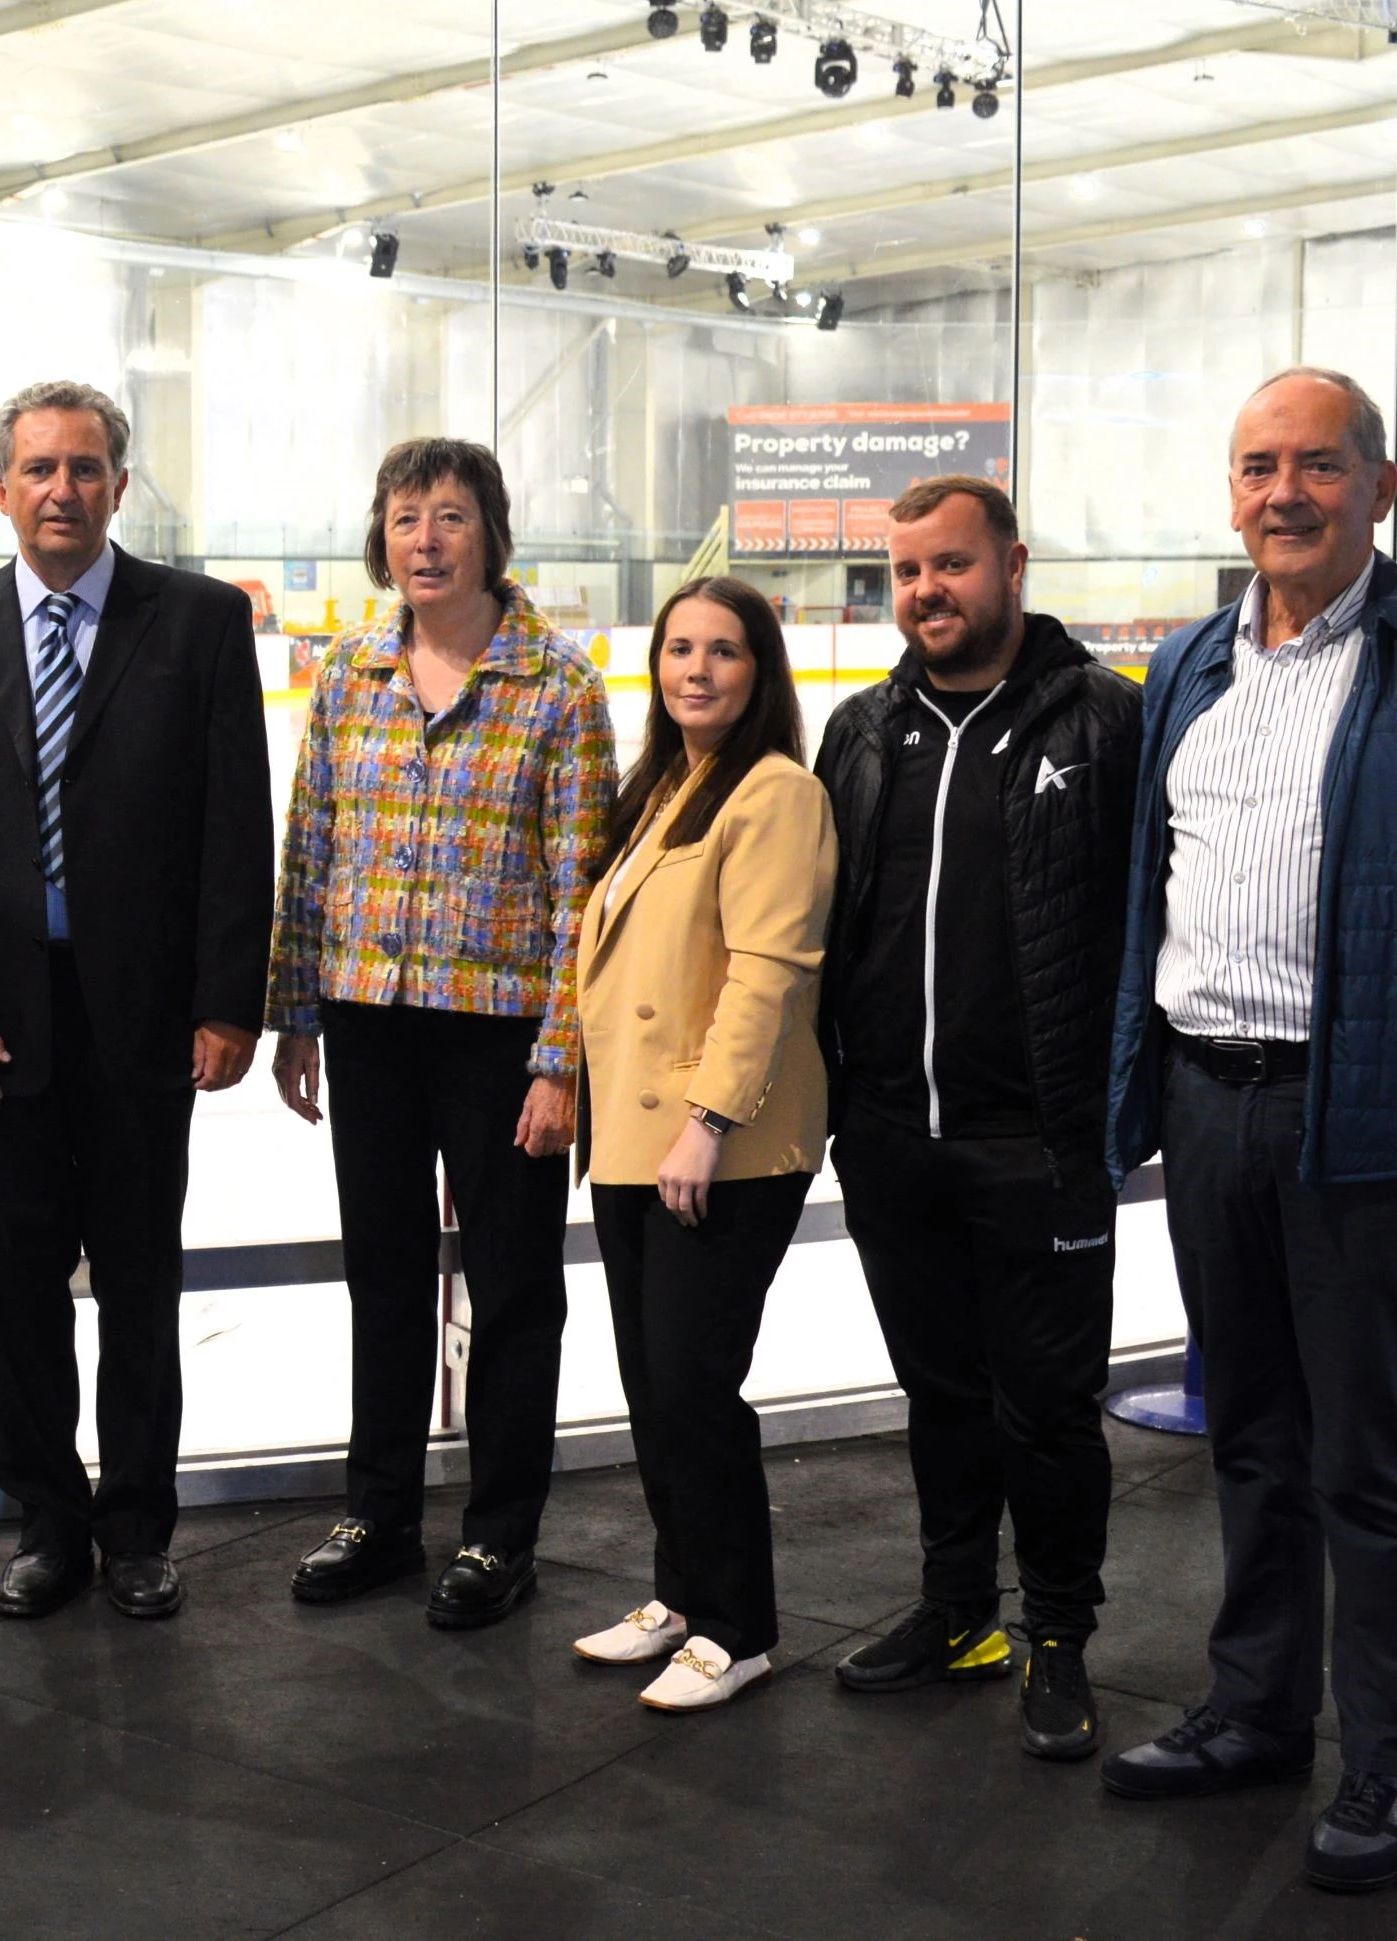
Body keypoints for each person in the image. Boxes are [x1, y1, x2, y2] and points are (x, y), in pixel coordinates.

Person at [1099, 369, 1397, 1892]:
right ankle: (1254, 1710)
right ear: (1230, 491)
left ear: (1381, 484)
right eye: (1259, 467)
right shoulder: (1189, 663)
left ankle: (1386, 1761)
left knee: (1367, 1453)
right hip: (1207, 1092)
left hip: (1356, 1107)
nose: (1284, 494)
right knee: (1249, 1428)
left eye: (1317, 465)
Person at [0, 381, 273, 1622]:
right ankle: (47, 1519)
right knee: (15, 1286)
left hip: (142, 1022)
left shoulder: (198, 621)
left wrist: (226, 1002)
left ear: (117, 482)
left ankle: (138, 1526)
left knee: (140, 1286)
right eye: (40, 469)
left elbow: (232, 824)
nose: (64, 489)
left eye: (87, 467)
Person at [813, 475, 1142, 1760]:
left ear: (1011, 562)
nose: (924, 593)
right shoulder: (860, 730)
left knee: (1046, 1410)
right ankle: (958, 1611)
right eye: (903, 573)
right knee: (937, 1393)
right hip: (895, 1136)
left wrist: (1120, 1103)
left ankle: (1056, 1632)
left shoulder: (1100, 724)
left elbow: (1149, 916)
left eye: (948, 566)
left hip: (1038, 1140)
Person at [262, 438, 610, 1627]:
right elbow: (308, 843)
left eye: (449, 516)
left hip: (499, 1030)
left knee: (513, 1287)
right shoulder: (349, 670)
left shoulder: (554, 686)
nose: (423, 539)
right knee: (385, 1274)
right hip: (366, 1016)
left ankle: (500, 1533)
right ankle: (381, 1511)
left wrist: (560, 1056)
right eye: (405, 516)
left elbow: (582, 888)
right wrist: (293, 1008)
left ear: (490, 536)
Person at [568, 576, 834, 1713]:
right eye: (677, 648)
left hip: (718, 1144)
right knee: (650, 1385)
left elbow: (765, 976)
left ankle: (737, 1625)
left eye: (722, 651)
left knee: (692, 1382)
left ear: (757, 670)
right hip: (633, 1136)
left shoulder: (772, 794)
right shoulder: (662, 792)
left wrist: (705, 1123)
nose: (695, 669)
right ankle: (678, 1594)